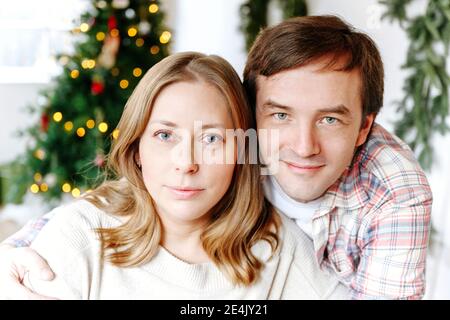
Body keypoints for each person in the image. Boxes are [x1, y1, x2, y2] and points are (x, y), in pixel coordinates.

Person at [1, 15, 432, 300]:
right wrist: (15, 249)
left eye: (212, 139)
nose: (303, 145)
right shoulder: (80, 234)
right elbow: (81, 225)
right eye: (280, 115)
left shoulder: (384, 195)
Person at [0, 51, 347, 299]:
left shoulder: (280, 251)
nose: (186, 163)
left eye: (212, 139)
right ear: (137, 150)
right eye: (165, 136)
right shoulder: (78, 240)